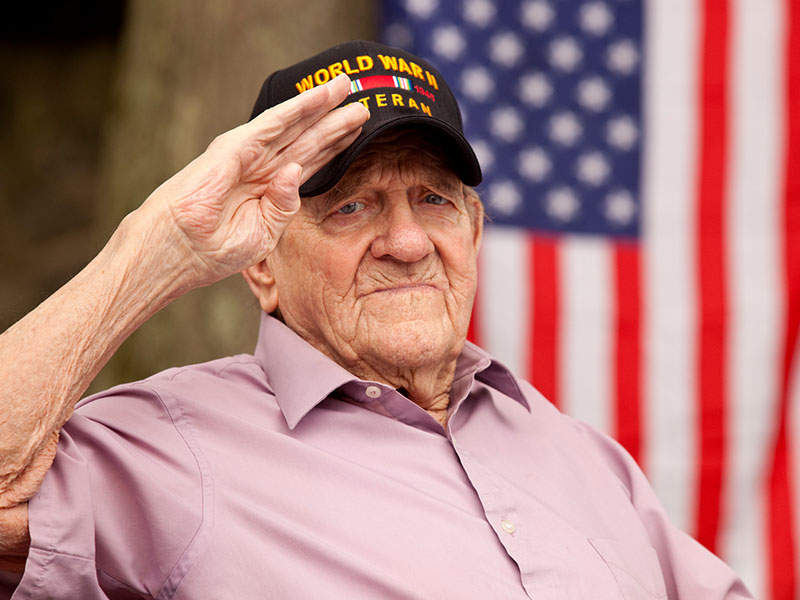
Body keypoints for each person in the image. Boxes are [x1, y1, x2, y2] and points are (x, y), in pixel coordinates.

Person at [0, 40, 752, 599]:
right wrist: (157, 247)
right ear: (260, 262)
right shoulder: (173, 444)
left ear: (473, 230)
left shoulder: (583, 456)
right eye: (351, 206)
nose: (405, 242)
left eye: (433, 199)